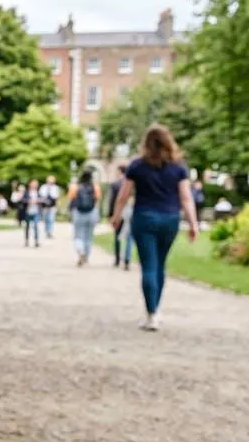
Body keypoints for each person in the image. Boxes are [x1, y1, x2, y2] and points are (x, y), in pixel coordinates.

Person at [109, 125, 199, 330]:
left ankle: (151, 314)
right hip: (170, 219)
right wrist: (193, 223)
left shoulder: (137, 166)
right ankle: (156, 309)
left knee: (148, 265)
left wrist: (116, 216)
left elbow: (124, 195)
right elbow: (186, 198)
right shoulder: (178, 168)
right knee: (160, 265)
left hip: (144, 218)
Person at [68, 168, 103, 266]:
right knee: (89, 236)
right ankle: (86, 256)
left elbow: (71, 200)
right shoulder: (95, 187)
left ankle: (80, 251)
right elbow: (98, 200)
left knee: (78, 235)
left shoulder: (75, 187)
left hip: (78, 213)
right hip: (92, 213)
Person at [107, 162, 134, 269]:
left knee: (117, 235)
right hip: (131, 212)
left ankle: (117, 259)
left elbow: (113, 201)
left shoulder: (115, 184)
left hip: (120, 212)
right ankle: (127, 259)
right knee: (129, 237)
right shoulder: (135, 184)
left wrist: (111, 215)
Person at [20, 179, 43, 247]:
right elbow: (22, 200)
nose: (34, 185)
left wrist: (39, 200)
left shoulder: (38, 192)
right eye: (33, 183)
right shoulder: (26, 192)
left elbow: (43, 200)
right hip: (28, 211)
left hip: (36, 211)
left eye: (35, 184)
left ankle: (36, 241)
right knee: (27, 226)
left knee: (36, 226)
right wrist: (28, 201)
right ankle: (26, 240)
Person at [38, 174, 62, 239]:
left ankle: (50, 232)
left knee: (51, 219)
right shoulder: (43, 187)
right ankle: (46, 231)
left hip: (52, 206)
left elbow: (57, 197)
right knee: (46, 219)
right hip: (45, 206)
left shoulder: (56, 188)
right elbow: (40, 195)